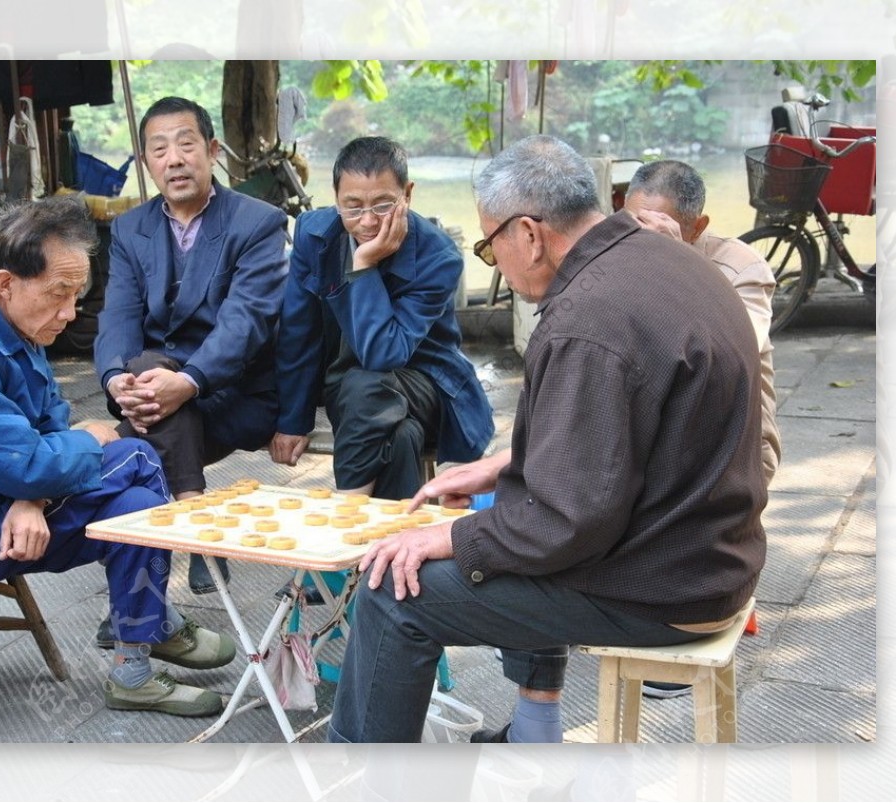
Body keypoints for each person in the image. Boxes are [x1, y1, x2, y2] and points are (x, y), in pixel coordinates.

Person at [327, 135, 767, 743]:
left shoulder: (587, 318)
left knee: (393, 590)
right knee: (495, 505)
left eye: (490, 245)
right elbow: (631, 431)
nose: (495, 263)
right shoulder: (668, 256)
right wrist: (505, 465)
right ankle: (533, 729)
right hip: (712, 551)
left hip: (664, 582)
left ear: (529, 234)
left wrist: (449, 536)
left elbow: (563, 524)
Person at [0, 195, 236, 718]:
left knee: (132, 505)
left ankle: (133, 664)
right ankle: (148, 621)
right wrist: (80, 446)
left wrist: (34, 497)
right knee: (134, 454)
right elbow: (32, 461)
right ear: (6, 284)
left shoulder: (13, 322)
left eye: (75, 295)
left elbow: (45, 427)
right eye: (58, 294)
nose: (69, 312)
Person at [94, 96, 289, 599]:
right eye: (159, 149)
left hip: (233, 392)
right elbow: (117, 315)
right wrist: (118, 380)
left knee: (128, 451)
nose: (174, 159)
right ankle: (196, 521)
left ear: (212, 149)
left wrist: (187, 381)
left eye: (185, 144)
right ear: (145, 163)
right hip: (161, 394)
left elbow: (245, 323)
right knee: (143, 377)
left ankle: (138, 611)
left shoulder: (258, 223)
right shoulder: (129, 229)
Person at [623, 158, 780, 700]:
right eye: (632, 223)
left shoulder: (741, 266)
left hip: (733, 445)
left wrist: (673, 265)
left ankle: (672, 613)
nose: (642, 239)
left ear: (698, 226)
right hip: (659, 430)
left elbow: (727, 348)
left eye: (661, 228)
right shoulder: (621, 256)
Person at [270, 135, 493, 503]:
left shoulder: (438, 257)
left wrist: (364, 265)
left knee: (367, 383)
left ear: (408, 193)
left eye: (383, 204)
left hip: (426, 383)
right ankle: (389, 552)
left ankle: (347, 524)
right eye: (352, 206)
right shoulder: (314, 235)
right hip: (349, 388)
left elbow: (383, 354)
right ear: (335, 197)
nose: (368, 221)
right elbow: (299, 332)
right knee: (401, 436)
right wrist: (293, 421)